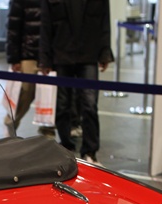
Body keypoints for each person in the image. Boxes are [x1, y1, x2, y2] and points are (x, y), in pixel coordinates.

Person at [40, 0, 113, 164]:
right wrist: (45, 59)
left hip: (89, 52)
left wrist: (104, 52)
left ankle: (90, 152)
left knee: (90, 103)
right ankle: (66, 146)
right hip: (62, 51)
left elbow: (104, 21)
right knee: (63, 103)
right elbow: (46, 24)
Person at [4, 0, 54, 138]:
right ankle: (11, 121)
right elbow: (13, 25)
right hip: (29, 51)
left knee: (50, 95)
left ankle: (48, 131)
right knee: (25, 91)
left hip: (51, 53)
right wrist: (14, 57)